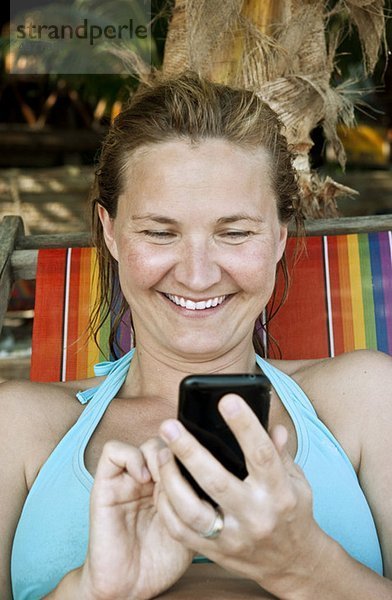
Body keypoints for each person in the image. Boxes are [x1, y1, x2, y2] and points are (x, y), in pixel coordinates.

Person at [1, 72, 392, 600]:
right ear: (111, 232)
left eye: (235, 233)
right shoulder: (19, 428)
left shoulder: (366, 400)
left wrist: (307, 566)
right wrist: (91, 591)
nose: (198, 274)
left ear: (280, 235)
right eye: (160, 232)